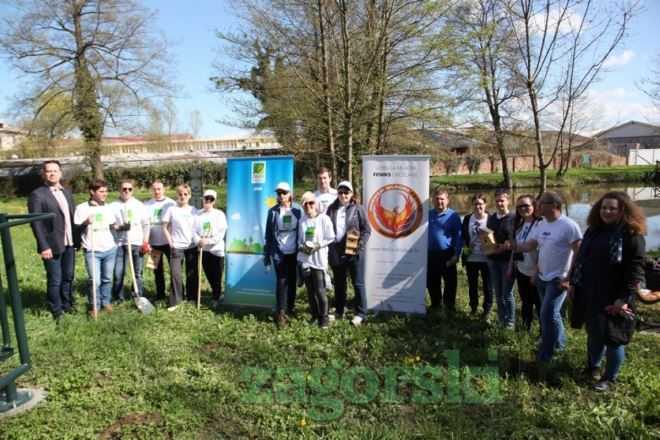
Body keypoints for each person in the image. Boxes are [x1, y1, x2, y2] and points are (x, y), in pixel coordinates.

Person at [570, 191, 646, 392]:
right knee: (594, 334)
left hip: (615, 297)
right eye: (604, 207)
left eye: (613, 208)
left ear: (623, 210)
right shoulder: (594, 230)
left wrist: (624, 298)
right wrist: (573, 283)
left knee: (614, 338)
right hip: (591, 292)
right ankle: (593, 368)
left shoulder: (632, 235)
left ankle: (610, 378)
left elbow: (636, 270)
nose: (607, 211)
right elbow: (581, 258)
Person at [514, 191, 582, 363]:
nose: (537, 206)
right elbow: (534, 246)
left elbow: (579, 253)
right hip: (543, 277)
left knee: (546, 314)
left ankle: (545, 356)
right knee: (553, 314)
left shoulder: (569, 225)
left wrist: (569, 279)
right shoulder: (542, 225)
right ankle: (559, 344)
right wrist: (516, 247)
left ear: (553, 205)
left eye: (541, 203)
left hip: (558, 279)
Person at [27, 160, 76, 323]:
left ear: (60, 173)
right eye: (49, 171)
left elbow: (71, 217)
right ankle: (56, 310)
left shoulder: (67, 193)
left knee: (68, 276)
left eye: (55, 170)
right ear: (44, 174)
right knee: (55, 279)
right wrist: (44, 246)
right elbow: (36, 223)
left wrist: (76, 240)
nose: (52, 174)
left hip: (69, 243)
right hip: (52, 245)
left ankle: (67, 305)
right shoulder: (37, 195)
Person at [73, 179, 124, 320]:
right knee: (94, 281)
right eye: (101, 191)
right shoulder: (82, 208)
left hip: (109, 249)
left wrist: (120, 231)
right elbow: (76, 229)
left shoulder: (108, 208)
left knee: (107, 279)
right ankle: (94, 307)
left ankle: (105, 303)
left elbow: (112, 226)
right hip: (92, 250)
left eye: (106, 191)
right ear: (92, 191)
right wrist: (86, 223)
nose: (105, 194)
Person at [326, 181, 371, 326]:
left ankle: (361, 313)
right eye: (340, 192)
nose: (343, 195)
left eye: (346, 192)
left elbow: (366, 230)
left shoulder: (358, 209)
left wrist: (359, 245)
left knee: (358, 283)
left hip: (354, 252)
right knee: (339, 283)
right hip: (336, 252)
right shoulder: (331, 209)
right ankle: (339, 310)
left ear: (351, 194)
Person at [264, 181, 302, 327]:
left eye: (284, 192)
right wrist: (267, 254)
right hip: (279, 253)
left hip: (294, 252)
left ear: (290, 193)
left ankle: (290, 308)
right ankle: (281, 312)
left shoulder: (298, 210)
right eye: (279, 193)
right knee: (281, 281)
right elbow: (268, 234)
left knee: (292, 280)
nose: (281, 195)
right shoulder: (273, 212)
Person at [297, 191, 335, 328]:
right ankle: (314, 316)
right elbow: (299, 240)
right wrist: (301, 247)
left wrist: (318, 245)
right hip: (306, 260)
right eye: (305, 204)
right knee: (310, 290)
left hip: (318, 260)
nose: (308, 206)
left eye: (311, 202)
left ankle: (324, 318)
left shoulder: (324, 219)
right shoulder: (302, 221)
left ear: (316, 203)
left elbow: (331, 237)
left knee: (320, 290)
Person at [111, 179, 150, 302]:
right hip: (121, 244)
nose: (127, 191)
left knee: (138, 273)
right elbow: (110, 225)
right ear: (120, 189)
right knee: (118, 273)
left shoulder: (139, 205)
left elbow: (146, 224)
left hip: (137, 243)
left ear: (133, 190)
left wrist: (145, 242)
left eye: (129, 189)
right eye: (124, 189)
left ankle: (137, 296)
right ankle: (118, 298)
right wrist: (120, 227)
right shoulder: (113, 206)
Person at [162, 184, 199, 311]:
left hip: (191, 246)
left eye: (185, 194)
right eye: (180, 194)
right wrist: (170, 242)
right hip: (176, 247)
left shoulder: (194, 211)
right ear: (177, 195)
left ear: (190, 195)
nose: (182, 196)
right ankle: (175, 301)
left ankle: (192, 299)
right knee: (175, 274)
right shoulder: (171, 209)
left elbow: (197, 229)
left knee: (192, 273)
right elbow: (165, 227)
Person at [426, 187, 462, 311]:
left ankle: (449, 307)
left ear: (447, 200)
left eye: (442, 199)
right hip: (431, 254)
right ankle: (435, 305)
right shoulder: (428, 214)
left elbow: (459, 236)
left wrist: (457, 255)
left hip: (447, 254)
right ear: (433, 200)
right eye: (436, 199)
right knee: (432, 281)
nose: (439, 201)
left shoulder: (454, 216)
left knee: (450, 282)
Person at [193, 189, 228, 310]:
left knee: (217, 275)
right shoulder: (197, 214)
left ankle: (216, 297)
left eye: (211, 199)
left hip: (216, 250)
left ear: (214, 201)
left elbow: (221, 233)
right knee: (208, 274)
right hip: (203, 250)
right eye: (206, 198)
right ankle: (217, 293)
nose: (208, 200)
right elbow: (193, 231)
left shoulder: (219, 214)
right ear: (203, 199)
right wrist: (198, 240)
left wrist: (208, 241)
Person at [486, 188, 516, 329]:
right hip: (493, 260)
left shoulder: (514, 218)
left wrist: (507, 245)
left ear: (508, 200)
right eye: (497, 201)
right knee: (498, 292)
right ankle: (501, 318)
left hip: (507, 261)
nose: (499, 203)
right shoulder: (491, 218)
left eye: (502, 200)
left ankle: (511, 321)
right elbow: (487, 237)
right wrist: (490, 246)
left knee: (507, 292)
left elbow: (516, 239)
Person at [512, 194, 542, 334]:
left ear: (534, 206)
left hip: (536, 271)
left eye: (526, 205)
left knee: (539, 303)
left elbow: (534, 246)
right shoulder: (520, 224)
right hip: (522, 269)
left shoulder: (540, 224)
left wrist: (514, 247)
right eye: (519, 206)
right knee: (525, 301)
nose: (523, 208)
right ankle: (525, 330)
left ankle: (543, 333)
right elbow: (517, 245)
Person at [461, 193, 493, 317]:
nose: (478, 206)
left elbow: (496, 238)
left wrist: (490, 246)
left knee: (488, 286)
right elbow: (463, 239)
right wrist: (467, 249)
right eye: (475, 204)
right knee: (472, 285)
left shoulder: (491, 219)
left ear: (485, 204)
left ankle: (487, 311)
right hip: (471, 259)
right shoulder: (467, 219)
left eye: (480, 204)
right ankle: (473, 308)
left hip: (487, 259)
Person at [144, 180, 176, 302]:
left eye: (159, 189)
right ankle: (160, 296)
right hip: (153, 244)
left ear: (164, 189)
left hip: (169, 243)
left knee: (174, 270)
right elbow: (145, 224)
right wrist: (146, 242)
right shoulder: (147, 205)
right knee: (157, 271)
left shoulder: (171, 203)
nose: (157, 191)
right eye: (155, 189)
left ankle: (175, 295)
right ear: (151, 190)